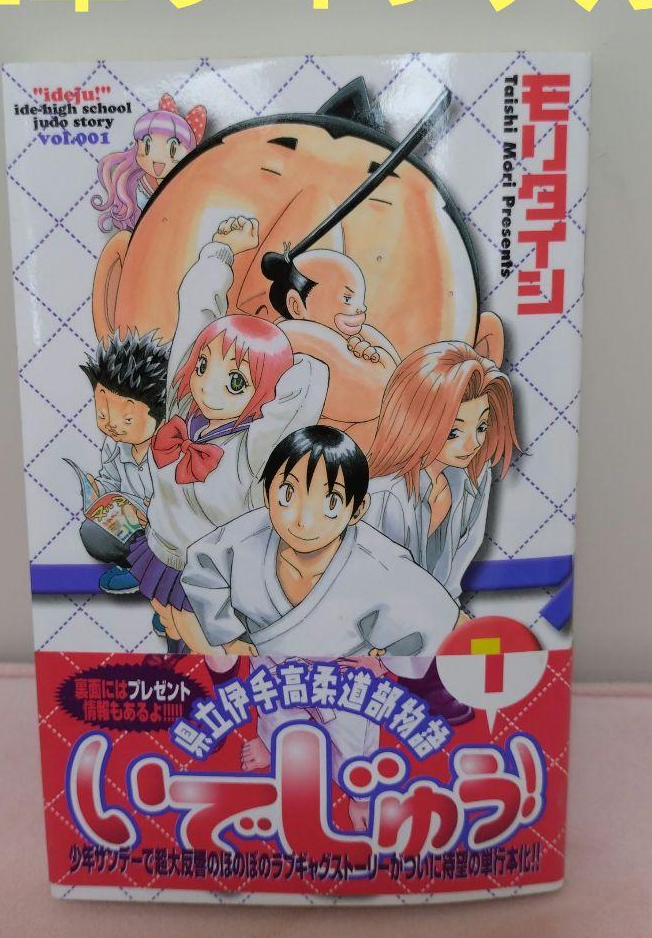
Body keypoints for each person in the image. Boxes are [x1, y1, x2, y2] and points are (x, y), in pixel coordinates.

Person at [181, 426, 459, 825]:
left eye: (329, 501)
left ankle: (360, 794)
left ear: (356, 509)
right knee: (275, 716)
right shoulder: (244, 537)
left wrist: (385, 662)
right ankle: (271, 744)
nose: (303, 518)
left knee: (353, 743)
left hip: (343, 676)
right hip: (272, 663)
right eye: (287, 494)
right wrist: (229, 634)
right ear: (267, 492)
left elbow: (435, 615)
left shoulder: (379, 562)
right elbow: (201, 568)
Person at [124, 217, 329, 653]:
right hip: (165, 553)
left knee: (216, 654)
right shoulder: (183, 408)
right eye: (203, 367)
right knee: (177, 634)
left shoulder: (254, 447)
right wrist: (220, 252)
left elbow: (305, 387)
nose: (208, 387)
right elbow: (194, 315)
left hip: (219, 575)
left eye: (235, 382)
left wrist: (298, 339)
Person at [363, 341, 519, 721]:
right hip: (373, 628)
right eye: (453, 431)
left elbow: (460, 561)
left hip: (436, 626)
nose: (472, 443)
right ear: (417, 422)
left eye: (481, 426)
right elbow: (376, 584)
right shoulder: (383, 495)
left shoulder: (473, 480)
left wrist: (449, 626)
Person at [75, 330, 169, 593]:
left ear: (160, 415)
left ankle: (152, 572)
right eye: (103, 414)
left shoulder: (171, 449)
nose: (113, 426)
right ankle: (134, 564)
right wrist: (98, 492)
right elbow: (111, 480)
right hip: (129, 522)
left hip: (165, 528)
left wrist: (151, 515)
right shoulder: (115, 445)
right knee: (91, 532)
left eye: (127, 420)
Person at [262, 249, 400, 367]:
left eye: (360, 299)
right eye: (347, 299)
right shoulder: (289, 338)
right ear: (297, 306)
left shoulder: (364, 335)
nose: (362, 308)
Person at [91, 94, 206, 232]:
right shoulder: (139, 186)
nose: (158, 159)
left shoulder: (185, 189)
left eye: (173, 150)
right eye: (147, 146)